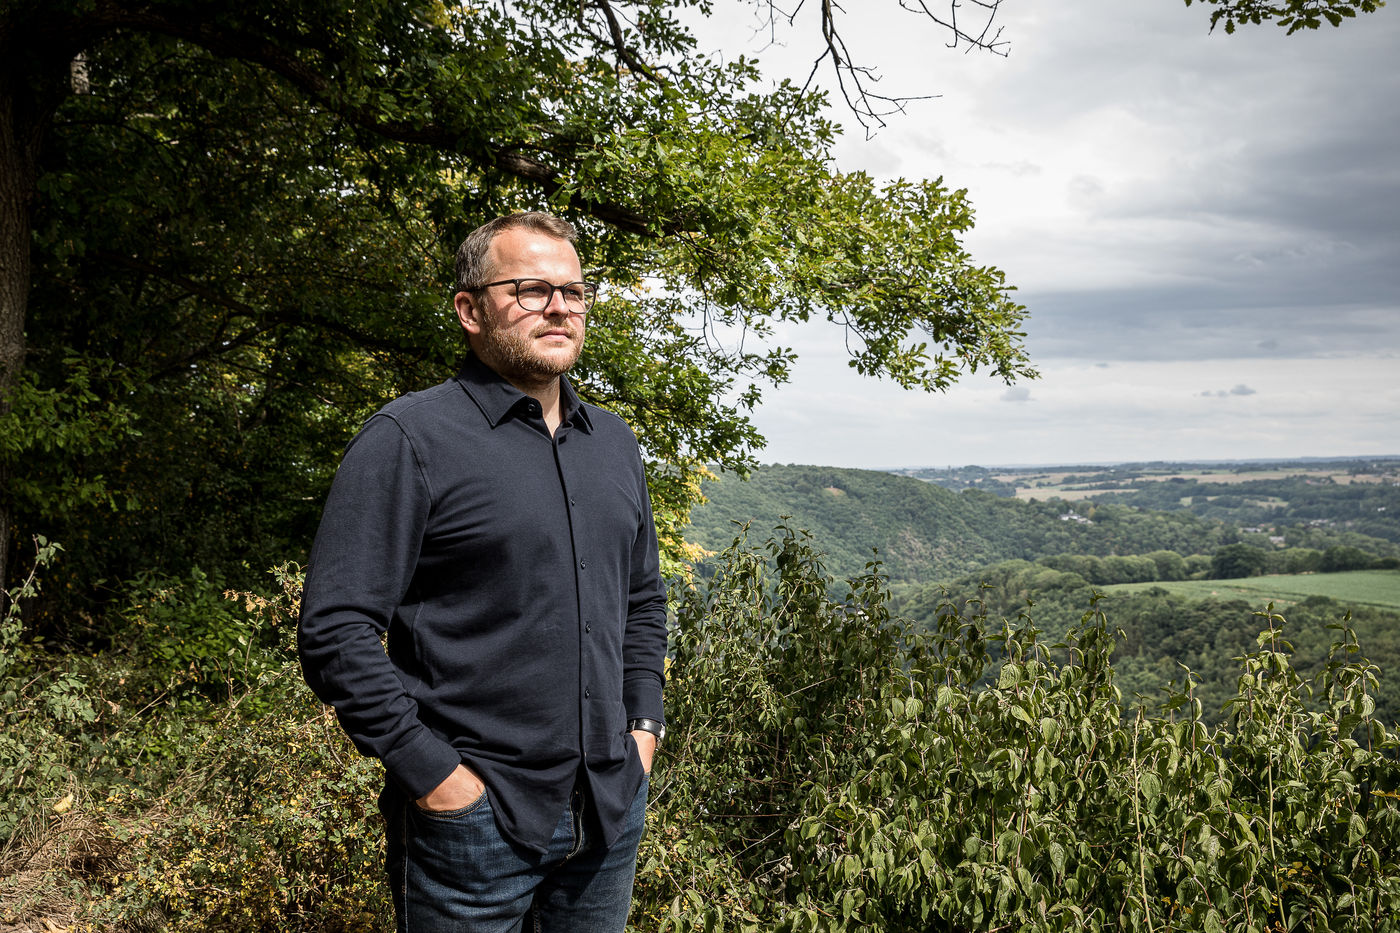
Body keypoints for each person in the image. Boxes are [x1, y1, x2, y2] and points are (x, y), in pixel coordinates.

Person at [298, 211, 668, 932]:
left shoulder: (614, 442)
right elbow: (335, 631)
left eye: (574, 291)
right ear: (470, 310)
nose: (560, 307)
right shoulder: (409, 438)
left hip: (608, 813)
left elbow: (642, 600)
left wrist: (643, 729)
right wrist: (435, 777)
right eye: (531, 290)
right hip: (472, 827)